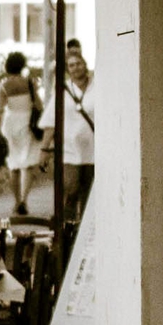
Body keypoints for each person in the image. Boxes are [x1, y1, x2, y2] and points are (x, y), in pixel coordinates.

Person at [0, 49, 43, 215]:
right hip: (27, 123)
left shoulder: (4, 85)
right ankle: (24, 199)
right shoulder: (29, 83)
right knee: (28, 164)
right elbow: (38, 104)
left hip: (10, 124)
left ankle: (16, 201)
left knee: (13, 165)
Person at [60, 43, 96, 232]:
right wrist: (44, 148)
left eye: (78, 63)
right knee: (71, 190)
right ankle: (68, 230)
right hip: (71, 151)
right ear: (67, 69)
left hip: (93, 150)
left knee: (88, 193)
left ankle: (86, 231)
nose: (76, 68)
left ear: (85, 64)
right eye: (71, 65)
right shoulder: (64, 89)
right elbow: (52, 119)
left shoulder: (97, 85)